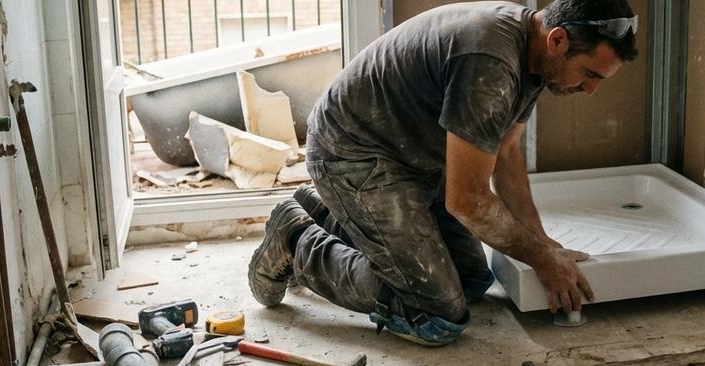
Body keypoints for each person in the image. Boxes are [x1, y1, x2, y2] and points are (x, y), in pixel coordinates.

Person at [247, 0, 638, 346]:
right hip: (353, 153)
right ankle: (295, 239)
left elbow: (508, 152)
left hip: (412, 157)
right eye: (590, 74)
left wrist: (545, 246)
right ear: (557, 40)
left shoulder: (534, 54)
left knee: (471, 282)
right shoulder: (492, 62)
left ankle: (321, 212)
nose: (590, 90)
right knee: (435, 312)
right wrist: (542, 260)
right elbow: (467, 199)